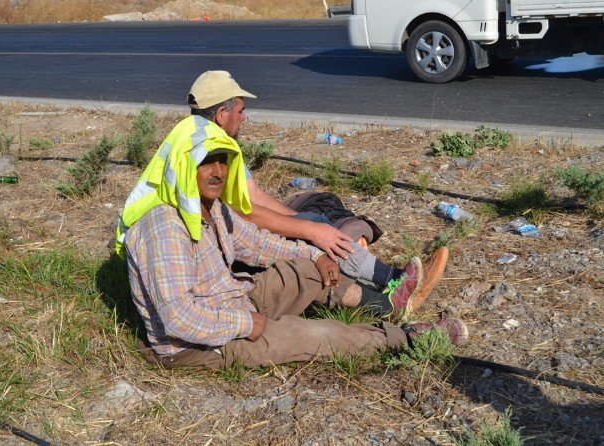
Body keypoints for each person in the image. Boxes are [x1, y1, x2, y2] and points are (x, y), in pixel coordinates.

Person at [120, 119, 467, 368]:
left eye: (222, 161)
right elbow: (179, 317)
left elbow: (256, 243)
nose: (217, 172)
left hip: (234, 300)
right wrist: (247, 325)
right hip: (199, 344)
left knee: (305, 270)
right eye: (204, 162)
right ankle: (407, 339)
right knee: (308, 335)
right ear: (181, 166)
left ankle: (388, 305)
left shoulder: (210, 208)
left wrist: (315, 256)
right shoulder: (163, 227)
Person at [183, 70, 448, 312]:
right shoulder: (210, 150)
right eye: (240, 110)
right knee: (310, 240)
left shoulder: (202, 137)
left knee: (318, 214)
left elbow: (253, 196)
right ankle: (391, 290)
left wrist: (303, 220)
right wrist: (308, 231)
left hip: (233, 232)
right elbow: (243, 215)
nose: (244, 117)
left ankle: (392, 282)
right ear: (221, 114)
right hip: (218, 250)